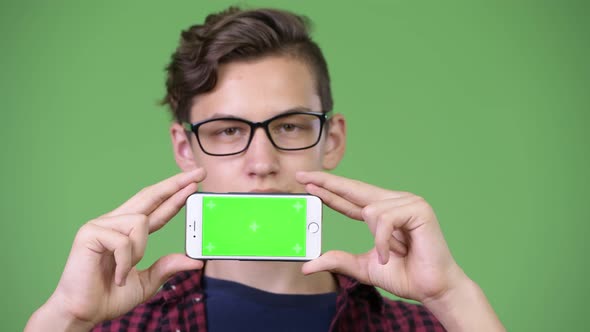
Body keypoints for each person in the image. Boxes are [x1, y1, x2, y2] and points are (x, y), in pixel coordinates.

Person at [25, 6, 505, 332]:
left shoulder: (421, 325)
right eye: (228, 131)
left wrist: (452, 296)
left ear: (331, 139)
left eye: (291, 127)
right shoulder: (116, 325)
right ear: (186, 148)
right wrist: (67, 315)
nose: (262, 164)